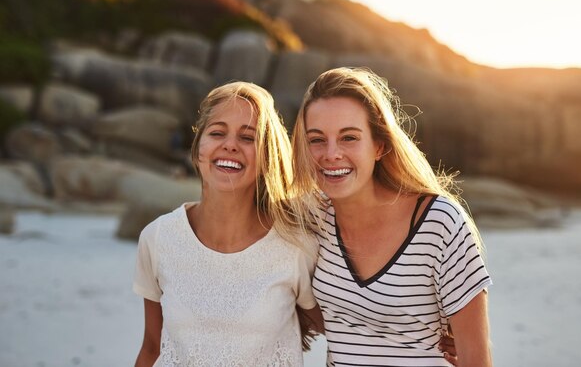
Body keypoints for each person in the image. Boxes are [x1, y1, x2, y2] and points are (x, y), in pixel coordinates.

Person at [291, 67, 492, 367]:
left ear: (379, 146)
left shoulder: (439, 222)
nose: (331, 154)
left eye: (349, 138)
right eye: (317, 140)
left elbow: (477, 360)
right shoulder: (310, 217)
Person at [133, 82, 323, 366]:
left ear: (266, 157)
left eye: (248, 137)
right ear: (199, 150)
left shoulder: (296, 246)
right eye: (217, 133)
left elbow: (345, 333)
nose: (230, 145)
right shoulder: (158, 238)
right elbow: (151, 347)